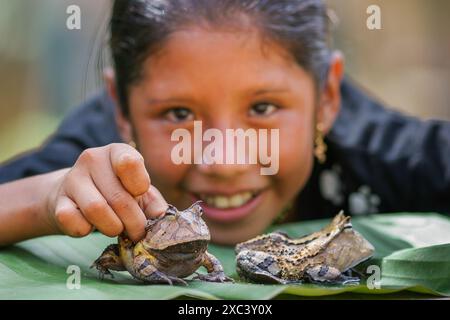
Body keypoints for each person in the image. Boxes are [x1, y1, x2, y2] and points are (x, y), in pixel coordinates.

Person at [0, 0, 449, 247]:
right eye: (179, 115)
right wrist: (43, 200)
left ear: (327, 97)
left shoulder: (377, 152)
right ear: (121, 106)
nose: (223, 161)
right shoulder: (97, 169)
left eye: (262, 109)